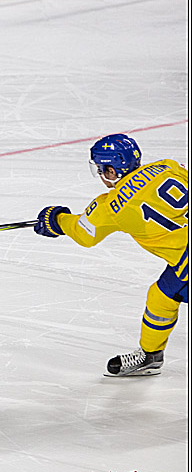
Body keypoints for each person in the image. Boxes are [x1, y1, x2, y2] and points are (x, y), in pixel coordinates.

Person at [34, 133, 188, 377]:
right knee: (161, 296)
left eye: (101, 169)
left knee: (162, 296)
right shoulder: (167, 166)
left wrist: (55, 220)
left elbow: (84, 234)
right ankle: (150, 355)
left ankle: (150, 355)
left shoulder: (112, 205)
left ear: (112, 170)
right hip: (184, 261)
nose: (100, 175)